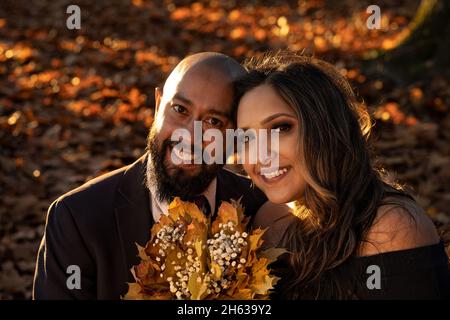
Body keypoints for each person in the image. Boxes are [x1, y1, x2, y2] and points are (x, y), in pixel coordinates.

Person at [33, 52, 273, 299]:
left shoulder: (263, 212)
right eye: (180, 109)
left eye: (214, 121)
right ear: (158, 105)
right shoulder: (77, 218)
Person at [236, 51, 450, 299]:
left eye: (280, 128)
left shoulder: (390, 227)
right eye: (247, 138)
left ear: (324, 128)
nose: (261, 155)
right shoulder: (267, 221)